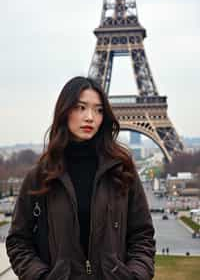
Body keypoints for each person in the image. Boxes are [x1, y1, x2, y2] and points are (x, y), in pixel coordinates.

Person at [6, 76, 155, 280]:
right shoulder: (39, 176)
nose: (90, 117)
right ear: (65, 111)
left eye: (98, 110)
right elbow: (18, 241)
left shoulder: (122, 171)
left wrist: (135, 276)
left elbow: (143, 236)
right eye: (81, 107)